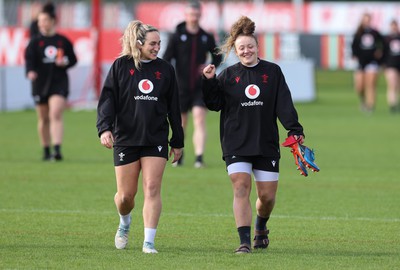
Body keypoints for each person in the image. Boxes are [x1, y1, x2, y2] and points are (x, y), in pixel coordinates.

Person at [202, 16, 305, 254]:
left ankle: (261, 225)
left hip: (265, 141)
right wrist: (208, 82)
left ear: (257, 47)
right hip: (235, 141)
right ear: (235, 51)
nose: (246, 51)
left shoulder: (273, 72)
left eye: (250, 46)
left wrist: (294, 129)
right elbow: (214, 104)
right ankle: (244, 242)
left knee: (267, 197)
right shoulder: (227, 76)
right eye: (241, 48)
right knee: (240, 186)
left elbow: (284, 104)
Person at [96, 20, 184, 254]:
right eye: (153, 44)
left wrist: (178, 141)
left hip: (155, 138)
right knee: (126, 197)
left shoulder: (165, 69)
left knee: (153, 187)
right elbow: (107, 101)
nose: (157, 48)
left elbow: (174, 106)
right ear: (139, 43)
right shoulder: (121, 66)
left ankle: (149, 242)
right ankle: (124, 223)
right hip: (125, 138)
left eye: (159, 43)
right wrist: (105, 128)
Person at [163, 0, 222, 168]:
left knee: (199, 118)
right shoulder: (176, 36)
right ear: (186, 15)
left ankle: (199, 157)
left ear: (200, 15)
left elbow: (217, 55)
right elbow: (167, 58)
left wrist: (210, 66)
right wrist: (170, 77)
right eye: (190, 14)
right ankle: (180, 155)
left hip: (199, 87)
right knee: (181, 122)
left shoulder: (206, 36)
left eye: (196, 14)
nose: (193, 17)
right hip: (180, 86)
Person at [24, 2, 77, 161]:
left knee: (55, 113)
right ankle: (46, 150)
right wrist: (30, 72)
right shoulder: (34, 42)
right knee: (44, 118)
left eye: (45, 20)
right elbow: (29, 60)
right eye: (39, 21)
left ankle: (57, 149)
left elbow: (73, 59)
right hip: (40, 83)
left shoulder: (63, 41)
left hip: (58, 82)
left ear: (53, 20)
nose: (42, 24)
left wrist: (65, 61)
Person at [351, 13, 384, 114]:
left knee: (371, 85)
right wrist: (355, 55)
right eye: (365, 20)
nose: (367, 22)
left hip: (372, 62)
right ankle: (363, 100)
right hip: (361, 62)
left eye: (368, 20)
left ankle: (370, 105)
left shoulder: (375, 33)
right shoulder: (358, 33)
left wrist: (379, 52)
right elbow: (354, 46)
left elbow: (382, 44)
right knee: (359, 86)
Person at [383, 19, 400, 113]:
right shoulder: (387, 39)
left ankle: (397, 102)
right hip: (390, 64)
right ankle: (392, 104)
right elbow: (383, 53)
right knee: (392, 85)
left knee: (398, 86)